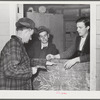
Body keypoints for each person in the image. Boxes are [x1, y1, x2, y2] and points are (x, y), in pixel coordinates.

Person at [0, 17, 38, 90]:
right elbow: (9, 70)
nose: (30, 38)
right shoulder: (14, 44)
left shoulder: (18, 45)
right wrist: (31, 71)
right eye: (30, 35)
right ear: (26, 32)